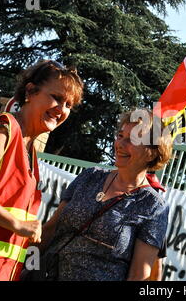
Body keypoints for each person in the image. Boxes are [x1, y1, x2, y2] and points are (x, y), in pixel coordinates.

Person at [0, 60, 84, 281]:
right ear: (30, 91)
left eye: (68, 105)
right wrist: (15, 224)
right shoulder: (3, 131)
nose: (61, 109)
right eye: (56, 97)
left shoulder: (29, 150)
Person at [39, 108, 173, 281]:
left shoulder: (153, 206)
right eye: (120, 136)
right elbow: (49, 230)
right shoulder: (90, 176)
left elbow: (139, 275)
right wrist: (22, 266)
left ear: (152, 152)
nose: (120, 145)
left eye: (132, 139)